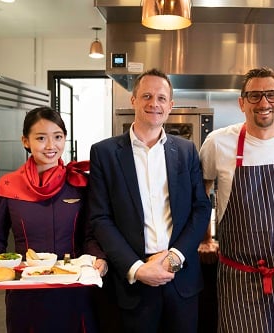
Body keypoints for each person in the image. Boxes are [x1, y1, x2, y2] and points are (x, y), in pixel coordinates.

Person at [88, 68, 212, 333]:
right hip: (133, 282)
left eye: (161, 98)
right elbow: (99, 218)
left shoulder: (187, 150)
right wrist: (136, 268)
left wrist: (174, 258)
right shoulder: (105, 153)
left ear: (170, 105)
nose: (154, 103)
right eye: (146, 95)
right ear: (133, 100)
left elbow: (201, 207)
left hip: (181, 278)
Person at [199, 67, 274, 332]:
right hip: (239, 275)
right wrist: (205, 238)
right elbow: (201, 191)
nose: (264, 103)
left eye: (271, 95)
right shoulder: (218, 142)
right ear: (242, 103)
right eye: (254, 96)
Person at [0, 106, 108, 333]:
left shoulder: (79, 183)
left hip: (75, 287)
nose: (50, 146)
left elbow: (89, 236)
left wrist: (99, 257)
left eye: (58, 137)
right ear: (25, 141)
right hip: (27, 291)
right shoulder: (8, 186)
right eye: (40, 138)